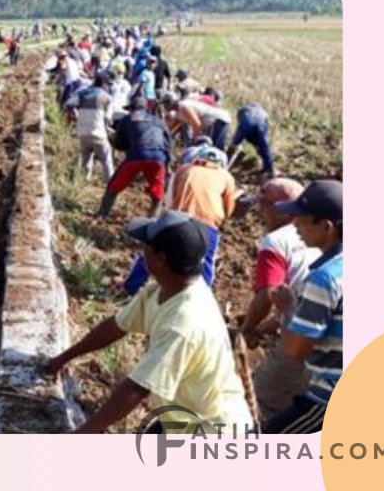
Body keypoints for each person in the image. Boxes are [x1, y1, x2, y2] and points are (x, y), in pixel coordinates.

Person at [47, 211, 253, 434]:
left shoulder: (184, 322)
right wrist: (63, 358)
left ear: (160, 259)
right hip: (185, 417)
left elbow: (137, 389)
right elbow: (115, 327)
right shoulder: (162, 290)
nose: (141, 253)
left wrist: (80, 434)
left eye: (146, 247)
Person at [263, 179, 343, 434]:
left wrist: (287, 309)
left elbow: (295, 349)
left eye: (303, 218)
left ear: (326, 227)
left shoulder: (323, 279)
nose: (295, 224)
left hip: (328, 398)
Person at [237, 179, 321, 420]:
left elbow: (268, 294)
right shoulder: (321, 239)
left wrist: (247, 330)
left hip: (300, 340)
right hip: (328, 343)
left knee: (258, 404)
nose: (260, 213)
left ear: (278, 208)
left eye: (262, 206)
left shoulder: (276, 241)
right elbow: (295, 298)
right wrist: (265, 328)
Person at [123, 145, 235, 295]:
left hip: (178, 219)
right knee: (205, 262)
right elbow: (229, 208)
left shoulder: (184, 169)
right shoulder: (226, 176)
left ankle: (131, 287)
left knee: (154, 249)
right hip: (207, 224)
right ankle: (201, 298)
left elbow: (169, 200)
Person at [97, 97, 172, 220]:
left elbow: (120, 143)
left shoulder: (127, 119)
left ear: (131, 108)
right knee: (158, 188)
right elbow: (169, 142)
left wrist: (118, 143)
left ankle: (102, 214)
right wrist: (167, 163)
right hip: (159, 156)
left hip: (138, 154)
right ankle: (153, 217)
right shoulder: (158, 121)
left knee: (115, 184)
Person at [65, 70, 114, 181]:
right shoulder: (107, 98)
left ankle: (83, 181)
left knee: (85, 159)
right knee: (107, 160)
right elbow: (108, 119)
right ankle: (110, 183)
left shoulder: (82, 94)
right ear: (104, 84)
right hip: (98, 133)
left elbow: (68, 104)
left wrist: (76, 115)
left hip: (82, 133)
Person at [228, 102, 275, 178]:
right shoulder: (263, 112)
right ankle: (268, 169)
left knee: (234, 145)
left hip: (246, 124)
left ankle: (226, 163)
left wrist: (238, 140)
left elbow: (241, 122)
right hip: (261, 126)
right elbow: (266, 126)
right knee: (264, 148)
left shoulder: (243, 110)